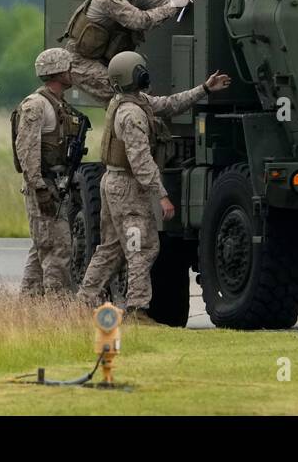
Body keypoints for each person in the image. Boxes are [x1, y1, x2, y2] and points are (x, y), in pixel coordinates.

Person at [77, 51, 232, 321]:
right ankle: (137, 310)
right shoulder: (132, 114)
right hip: (127, 187)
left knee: (112, 248)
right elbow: (140, 159)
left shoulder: (128, 102)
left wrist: (204, 88)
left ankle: (83, 302)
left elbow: (169, 104)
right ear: (137, 75)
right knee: (142, 246)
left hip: (115, 183)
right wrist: (161, 195)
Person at [60, 0, 205, 101]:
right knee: (124, 95)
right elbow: (141, 21)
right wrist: (175, 4)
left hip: (103, 61)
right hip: (82, 62)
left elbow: (162, 3)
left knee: (135, 94)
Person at [12, 47, 83, 296]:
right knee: (57, 249)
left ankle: (30, 302)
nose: (72, 71)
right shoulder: (37, 105)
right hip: (44, 186)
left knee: (43, 246)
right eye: (68, 67)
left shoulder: (57, 104)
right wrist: (39, 187)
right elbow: (27, 148)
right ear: (57, 71)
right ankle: (57, 304)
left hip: (56, 184)